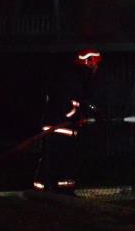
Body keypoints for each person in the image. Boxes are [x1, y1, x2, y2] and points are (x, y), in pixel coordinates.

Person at [33, 49, 101, 193]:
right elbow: (69, 101)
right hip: (58, 125)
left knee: (60, 158)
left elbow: (81, 101)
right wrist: (75, 117)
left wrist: (91, 112)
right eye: (95, 63)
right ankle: (48, 190)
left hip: (60, 124)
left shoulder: (75, 76)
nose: (97, 67)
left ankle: (57, 190)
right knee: (55, 158)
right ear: (87, 61)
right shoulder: (75, 76)